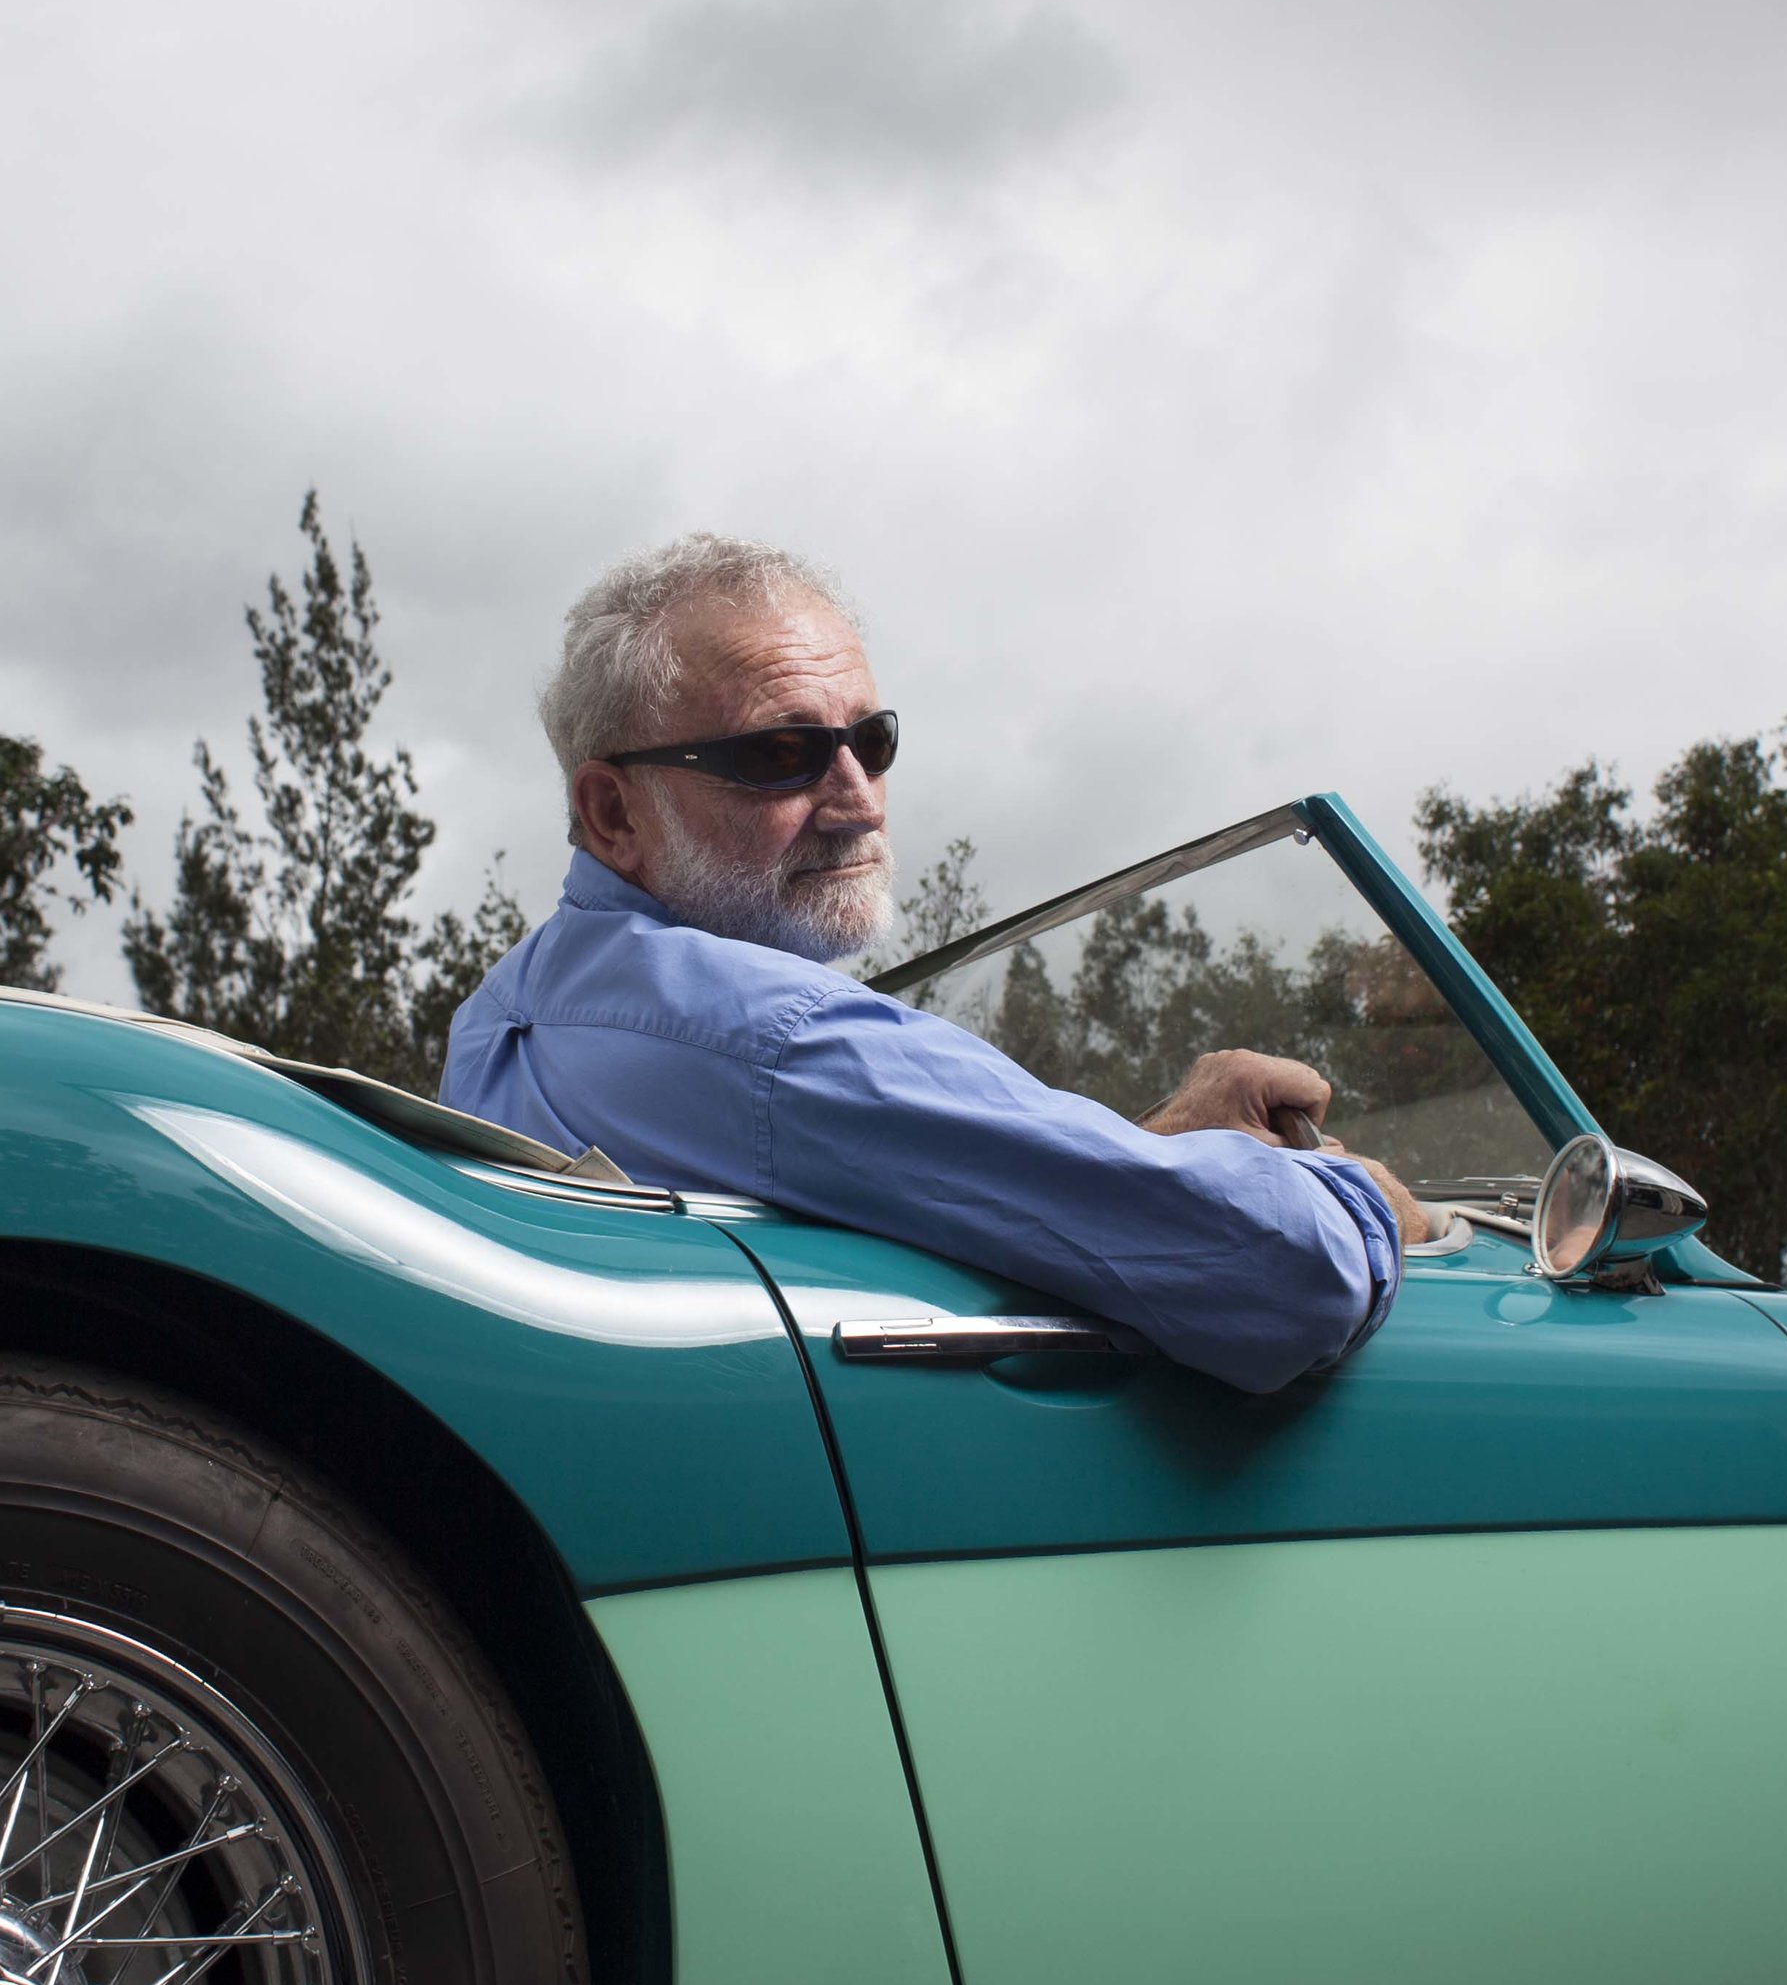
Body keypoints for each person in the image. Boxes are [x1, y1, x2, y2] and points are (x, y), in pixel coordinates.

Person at [442, 535, 1431, 1392]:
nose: (860, 798)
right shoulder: (767, 1039)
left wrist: (1154, 1153)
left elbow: (888, 1190)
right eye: (780, 754)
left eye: (871, 742)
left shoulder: (504, 1017)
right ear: (615, 812)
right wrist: (1360, 1198)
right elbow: (1286, 1272)